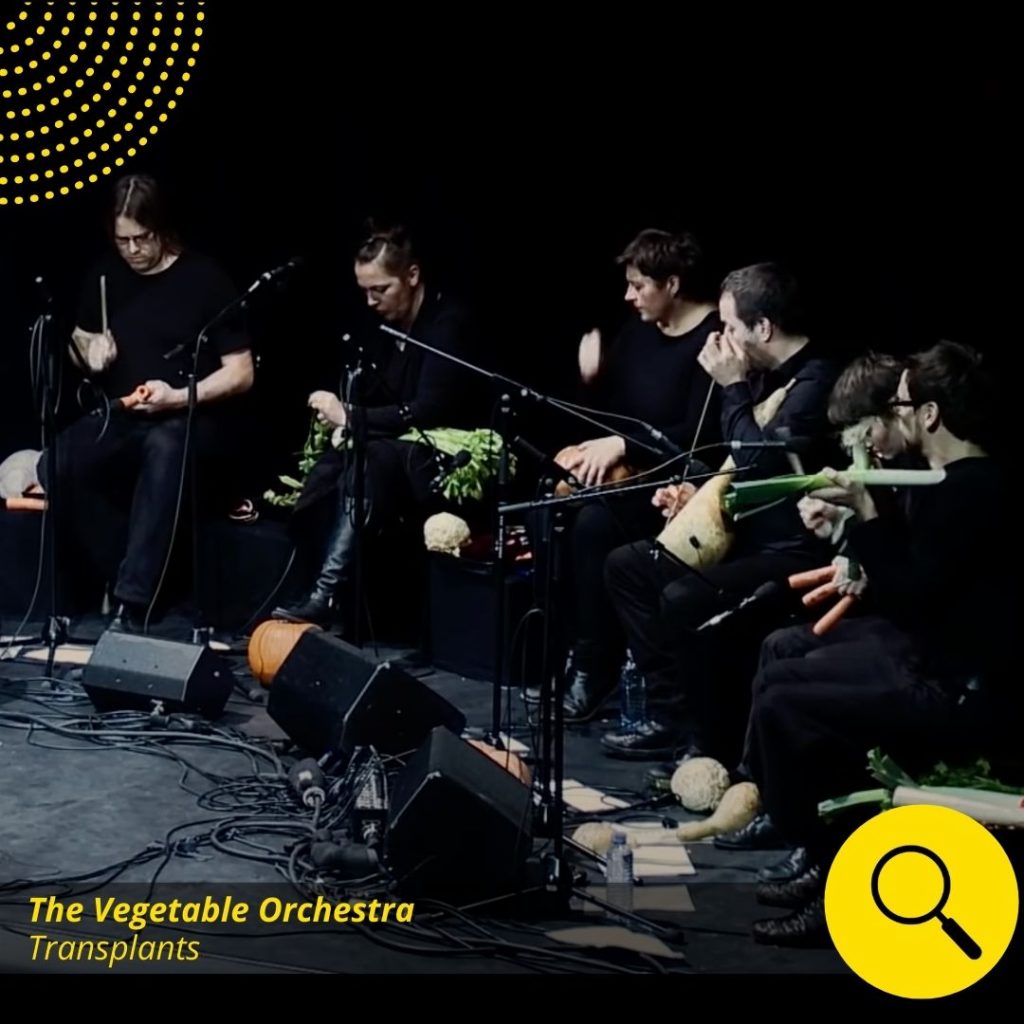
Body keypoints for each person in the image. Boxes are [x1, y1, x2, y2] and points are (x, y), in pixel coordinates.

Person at [745, 341, 1012, 947]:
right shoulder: (947, 481)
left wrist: (866, 515)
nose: (893, 412)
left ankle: (837, 877)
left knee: (787, 703)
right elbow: (915, 587)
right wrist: (861, 526)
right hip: (932, 655)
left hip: (958, 686)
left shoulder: (973, 489)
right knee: (782, 667)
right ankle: (819, 854)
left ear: (930, 415)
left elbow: (914, 596)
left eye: (901, 403)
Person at [602, 263, 840, 760]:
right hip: (741, 534)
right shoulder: (760, 376)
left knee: (684, 599)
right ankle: (669, 716)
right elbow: (735, 462)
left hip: (790, 552)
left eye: (730, 326)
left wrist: (732, 386)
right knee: (628, 566)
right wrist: (697, 492)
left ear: (763, 327)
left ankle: (710, 743)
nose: (722, 338)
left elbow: (758, 463)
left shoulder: (815, 383)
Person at [40, 174, 254, 628]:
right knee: (56, 463)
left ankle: (133, 603)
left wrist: (178, 397)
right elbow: (80, 340)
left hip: (189, 418)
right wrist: (89, 352)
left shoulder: (204, 279)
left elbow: (241, 372)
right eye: (123, 241)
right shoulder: (104, 275)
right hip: (125, 413)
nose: (133, 250)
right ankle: (129, 571)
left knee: (165, 445)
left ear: (163, 229)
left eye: (142, 238)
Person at [529, 228, 722, 721]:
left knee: (595, 526)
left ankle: (595, 668)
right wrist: (590, 381)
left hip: (675, 487)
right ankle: (564, 653)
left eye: (639, 286)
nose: (628, 296)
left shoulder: (712, 341)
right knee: (545, 507)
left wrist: (622, 445)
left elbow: (698, 438)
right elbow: (609, 416)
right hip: (624, 474)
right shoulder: (637, 333)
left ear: (672, 284)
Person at [272, 224, 479, 627]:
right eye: (365, 291)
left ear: (412, 276)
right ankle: (304, 583)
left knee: (370, 461)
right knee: (331, 466)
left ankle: (328, 594)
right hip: (392, 444)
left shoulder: (447, 324)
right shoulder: (382, 328)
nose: (371, 301)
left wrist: (351, 416)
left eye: (380, 289)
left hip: (445, 450)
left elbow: (429, 410)